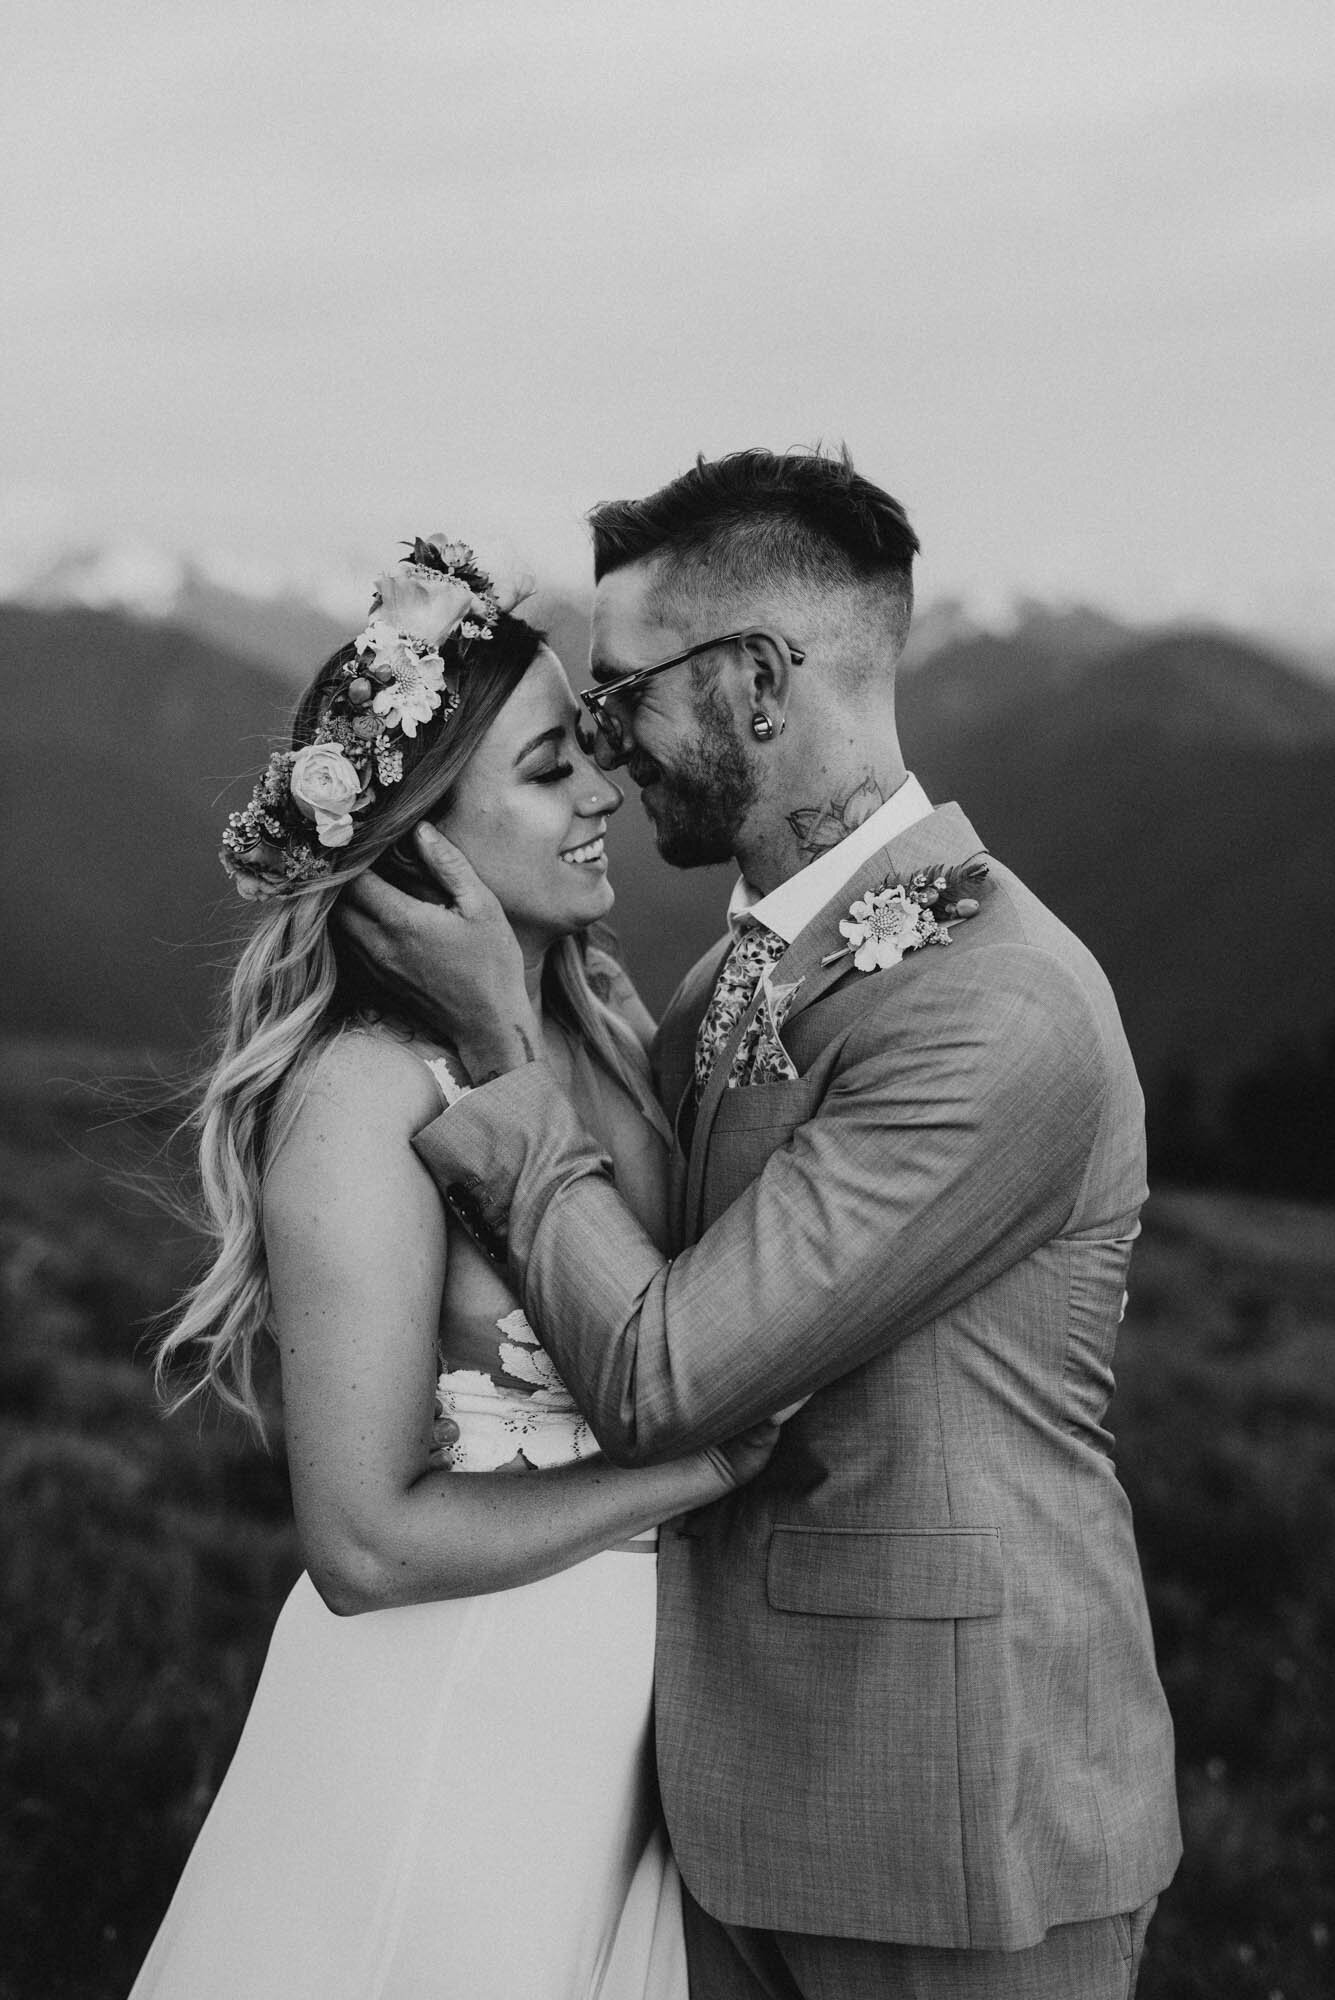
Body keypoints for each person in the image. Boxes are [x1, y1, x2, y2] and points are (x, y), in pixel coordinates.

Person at [341, 450, 1183, 2000]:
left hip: (952, 1822)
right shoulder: (718, 984)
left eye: (622, 697)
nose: (607, 749)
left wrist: (499, 1049)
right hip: (720, 1809)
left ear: (756, 682)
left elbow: (668, 1377)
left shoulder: (997, 1007)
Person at [129, 537, 779, 2000]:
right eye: (553, 770)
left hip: (621, 1738)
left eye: (592, 754)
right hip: (453, 1713)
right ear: (425, 838)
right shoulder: (365, 1098)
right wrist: (698, 1475)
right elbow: (361, 1549)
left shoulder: (610, 1026)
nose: (605, 792)